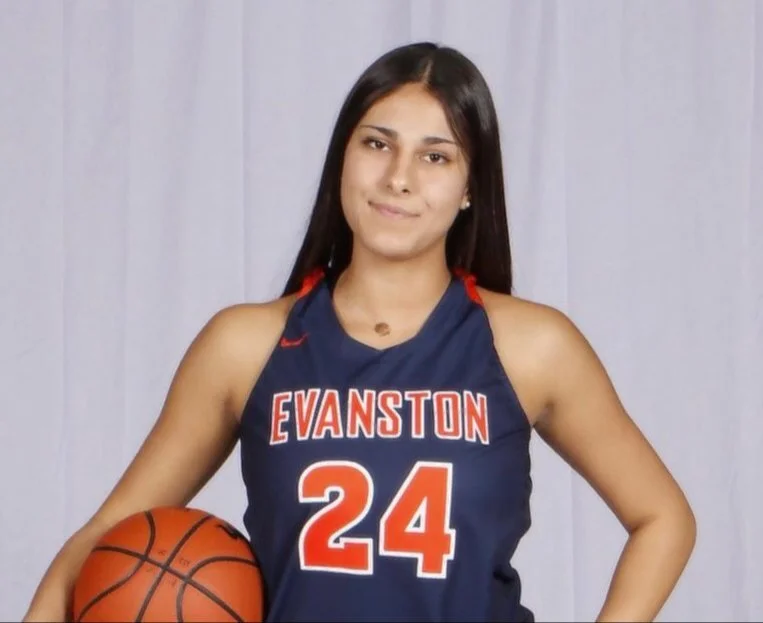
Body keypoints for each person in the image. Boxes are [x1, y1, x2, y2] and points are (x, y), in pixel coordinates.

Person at [23, 42, 696, 622]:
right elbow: (109, 532)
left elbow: (662, 518)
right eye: (377, 144)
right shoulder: (245, 346)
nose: (398, 178)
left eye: (436, 157)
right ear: (342, 157)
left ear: (470, 186)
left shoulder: (530, 346)